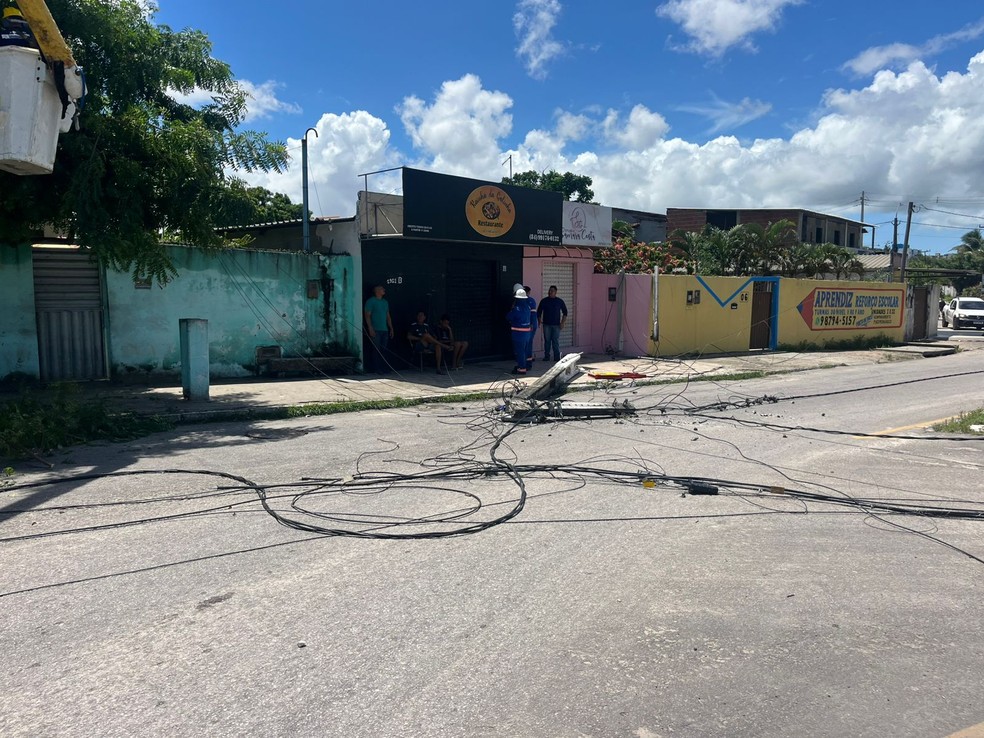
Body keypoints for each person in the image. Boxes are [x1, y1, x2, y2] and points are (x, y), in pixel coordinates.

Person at [363, 285, 394, 373]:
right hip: (375, 329)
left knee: (384, 349)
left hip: (384, 329)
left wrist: (391, 328)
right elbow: (367, 315)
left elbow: (388, 316)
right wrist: (370, 327)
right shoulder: (371, 301)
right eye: (381, 289)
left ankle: (384, 367)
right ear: (376, 291)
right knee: (376, 349)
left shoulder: (385, 302)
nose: (384, 290)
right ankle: (376, 368)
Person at [537, 285, 568, 362]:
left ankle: (556, 357)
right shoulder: (544, 301)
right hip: (546, 324)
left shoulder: (559, 301)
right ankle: (546, 356)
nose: (550, 292)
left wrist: (562, 323)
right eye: (549, 290)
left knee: (555, 341)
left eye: (552, 291)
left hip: (556, 325)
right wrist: (539, 320)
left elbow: (565, 312)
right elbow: (539, 311)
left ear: (555, 292)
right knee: (547, 341)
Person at [506, 287, 532, 375]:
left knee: (520, 351)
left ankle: (521, 368)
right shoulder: (528, 307)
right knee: (524, 351)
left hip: (518, 334)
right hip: (527, 333)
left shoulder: (516, 308)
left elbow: (508, 317)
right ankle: (524, 365)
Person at [523, 285, 538, 365]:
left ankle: (528, 359)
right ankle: (527, 358)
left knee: (528, 342)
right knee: (528, 342)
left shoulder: (529, 301)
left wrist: (531, 323)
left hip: (529, 325)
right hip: (529, 325)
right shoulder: (529, 300)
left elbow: (533, 313)